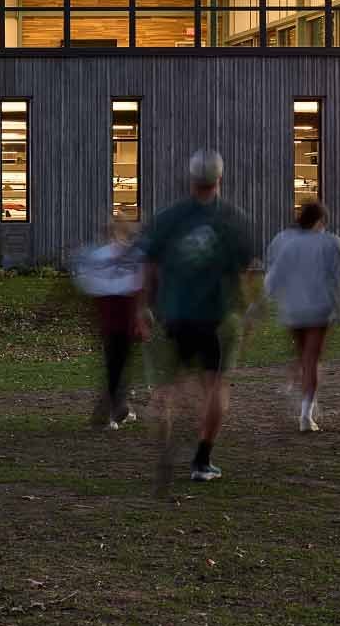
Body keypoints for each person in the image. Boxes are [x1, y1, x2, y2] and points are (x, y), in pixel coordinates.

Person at [139, 149, 258, 486]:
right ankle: (201, 459)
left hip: (172, 313)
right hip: (216, 315)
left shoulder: (168, 217)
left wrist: (143, 307)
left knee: (165, 389)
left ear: (190, 179)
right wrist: (246, 308)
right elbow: (245, 269)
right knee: (216, 386)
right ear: (219, 178)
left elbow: (149, 264)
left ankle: (163, 454)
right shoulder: (234, 219)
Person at [262, 199, 340, 433]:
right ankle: (306, 413)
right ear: (320, 221)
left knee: (303, 356)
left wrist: (265, 299)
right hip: (319, 308)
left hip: (293, 309)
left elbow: (274, 274)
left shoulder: (288, 243)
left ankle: (302, 395)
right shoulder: (331, 243)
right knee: (312, 360)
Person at [73, 219, 146, 427]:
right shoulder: (131, 254)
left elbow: (86, 282)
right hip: (126, 311)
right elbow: (139, 283)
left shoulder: (96, 256)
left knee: (114, 361)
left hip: (107, 312)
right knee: (120, 363)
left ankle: (115, 405)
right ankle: (115, 407)